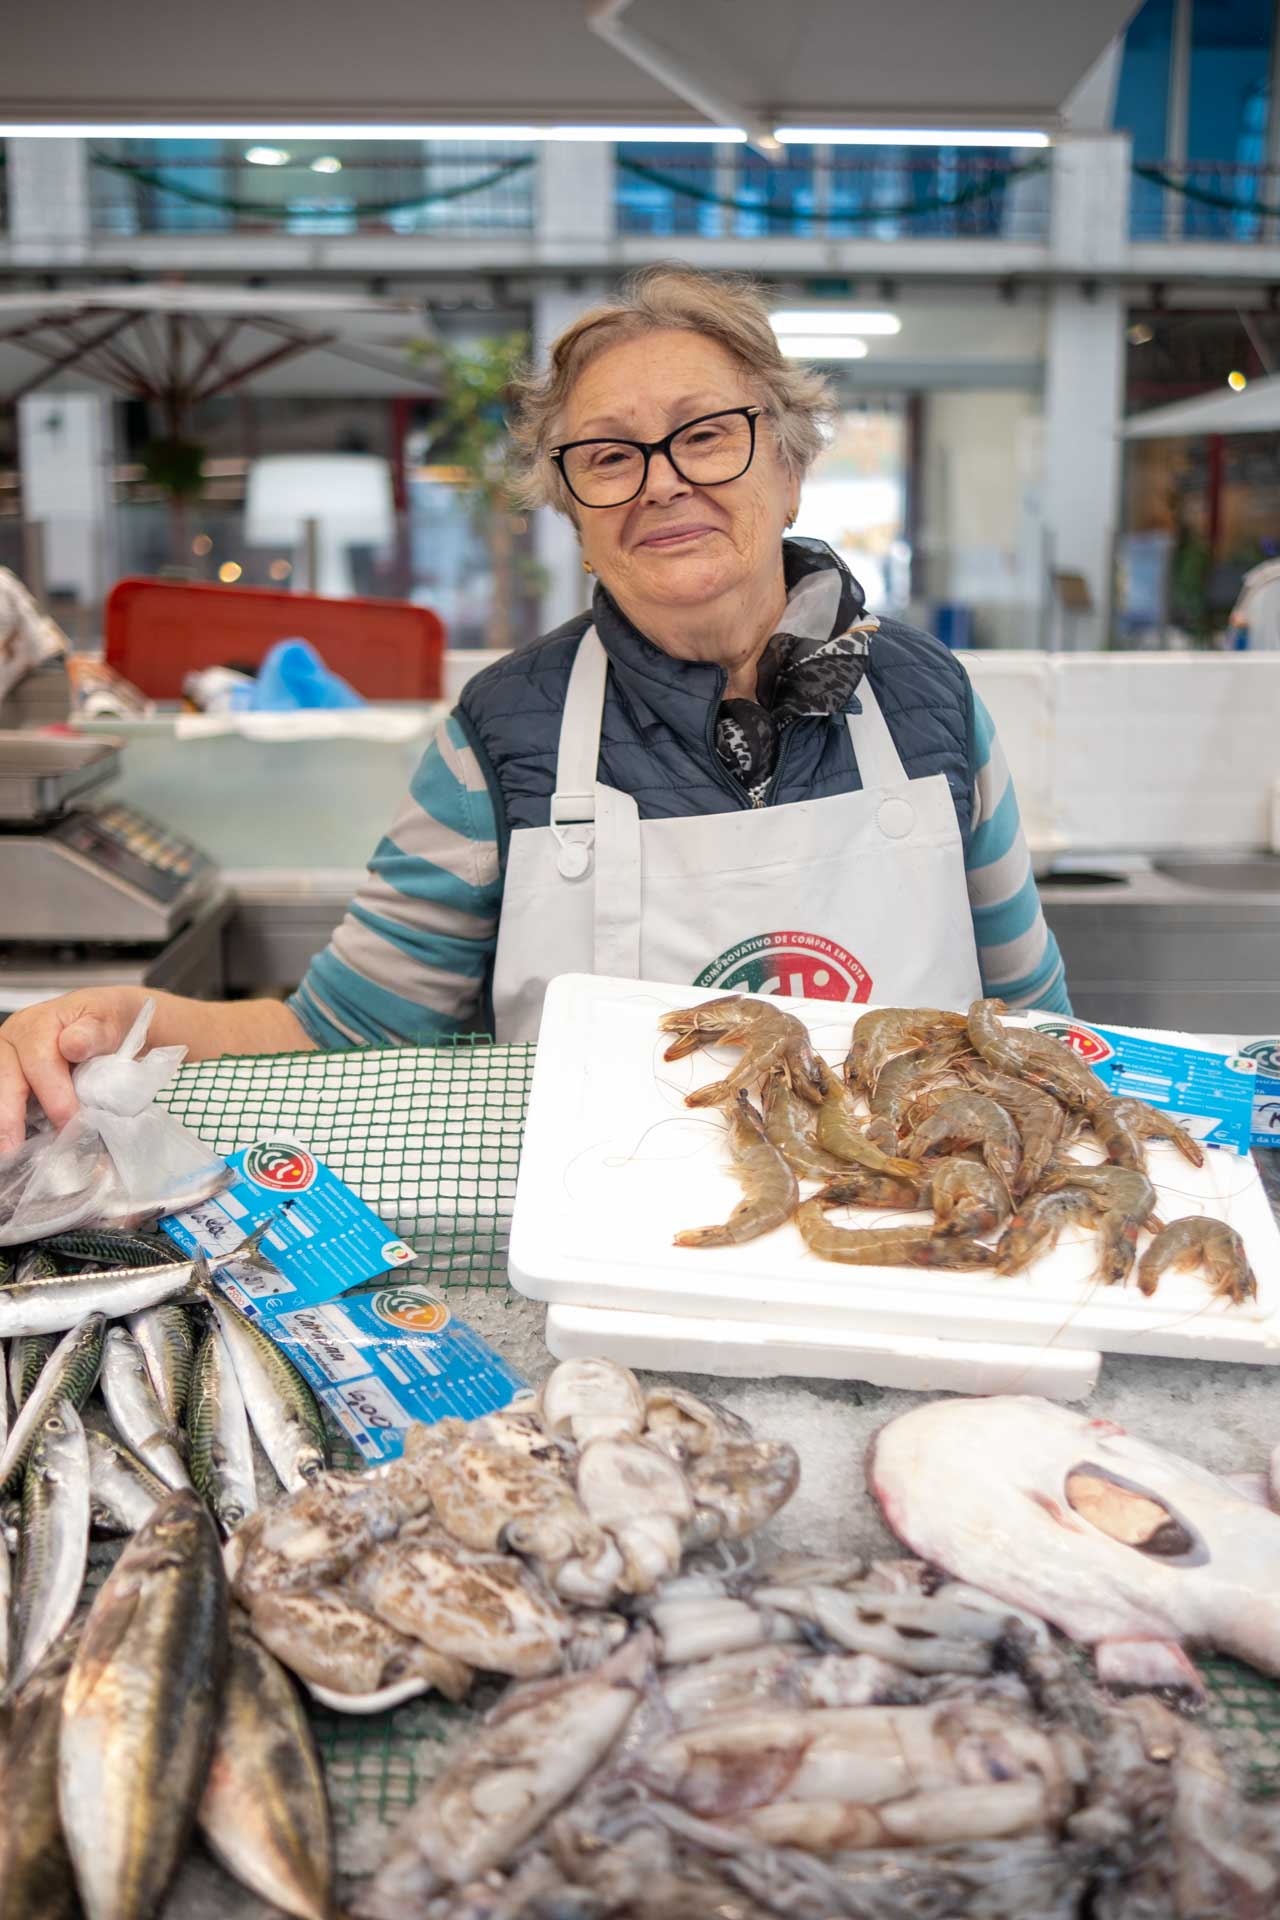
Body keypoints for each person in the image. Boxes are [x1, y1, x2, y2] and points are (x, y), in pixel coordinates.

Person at [0, 266, 1068, 1150]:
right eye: (607, 456)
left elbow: (1038, 1028)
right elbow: (340, 1032)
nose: (658, 483)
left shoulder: (931, 702)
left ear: (788, 467)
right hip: (601, 1258)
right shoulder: (501, 735)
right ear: (573, 512)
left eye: (704, 436)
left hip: (917, 1244)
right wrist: (118, 1021)